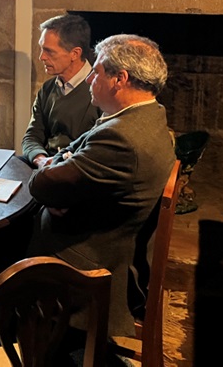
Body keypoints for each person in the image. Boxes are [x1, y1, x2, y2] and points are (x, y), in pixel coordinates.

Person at [27, 34, 175, 342]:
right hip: (108, 239)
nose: (90, 77)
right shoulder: (149, 115)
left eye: (96, 71)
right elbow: (67, 161)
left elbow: (41, 186)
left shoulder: (122, 138)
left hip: (85, 263)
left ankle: (9, 331)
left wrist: (56, 170)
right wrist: (64, 164)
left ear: (120, 79)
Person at [21, 14, 101, 169]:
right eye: (41, 49)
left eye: (49, 51)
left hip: (76, 171)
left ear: (75, 54)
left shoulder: (101, 93)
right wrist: (40, 159)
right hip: (43, 165)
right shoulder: (47, 89)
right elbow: (32, 136)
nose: (41, 57)